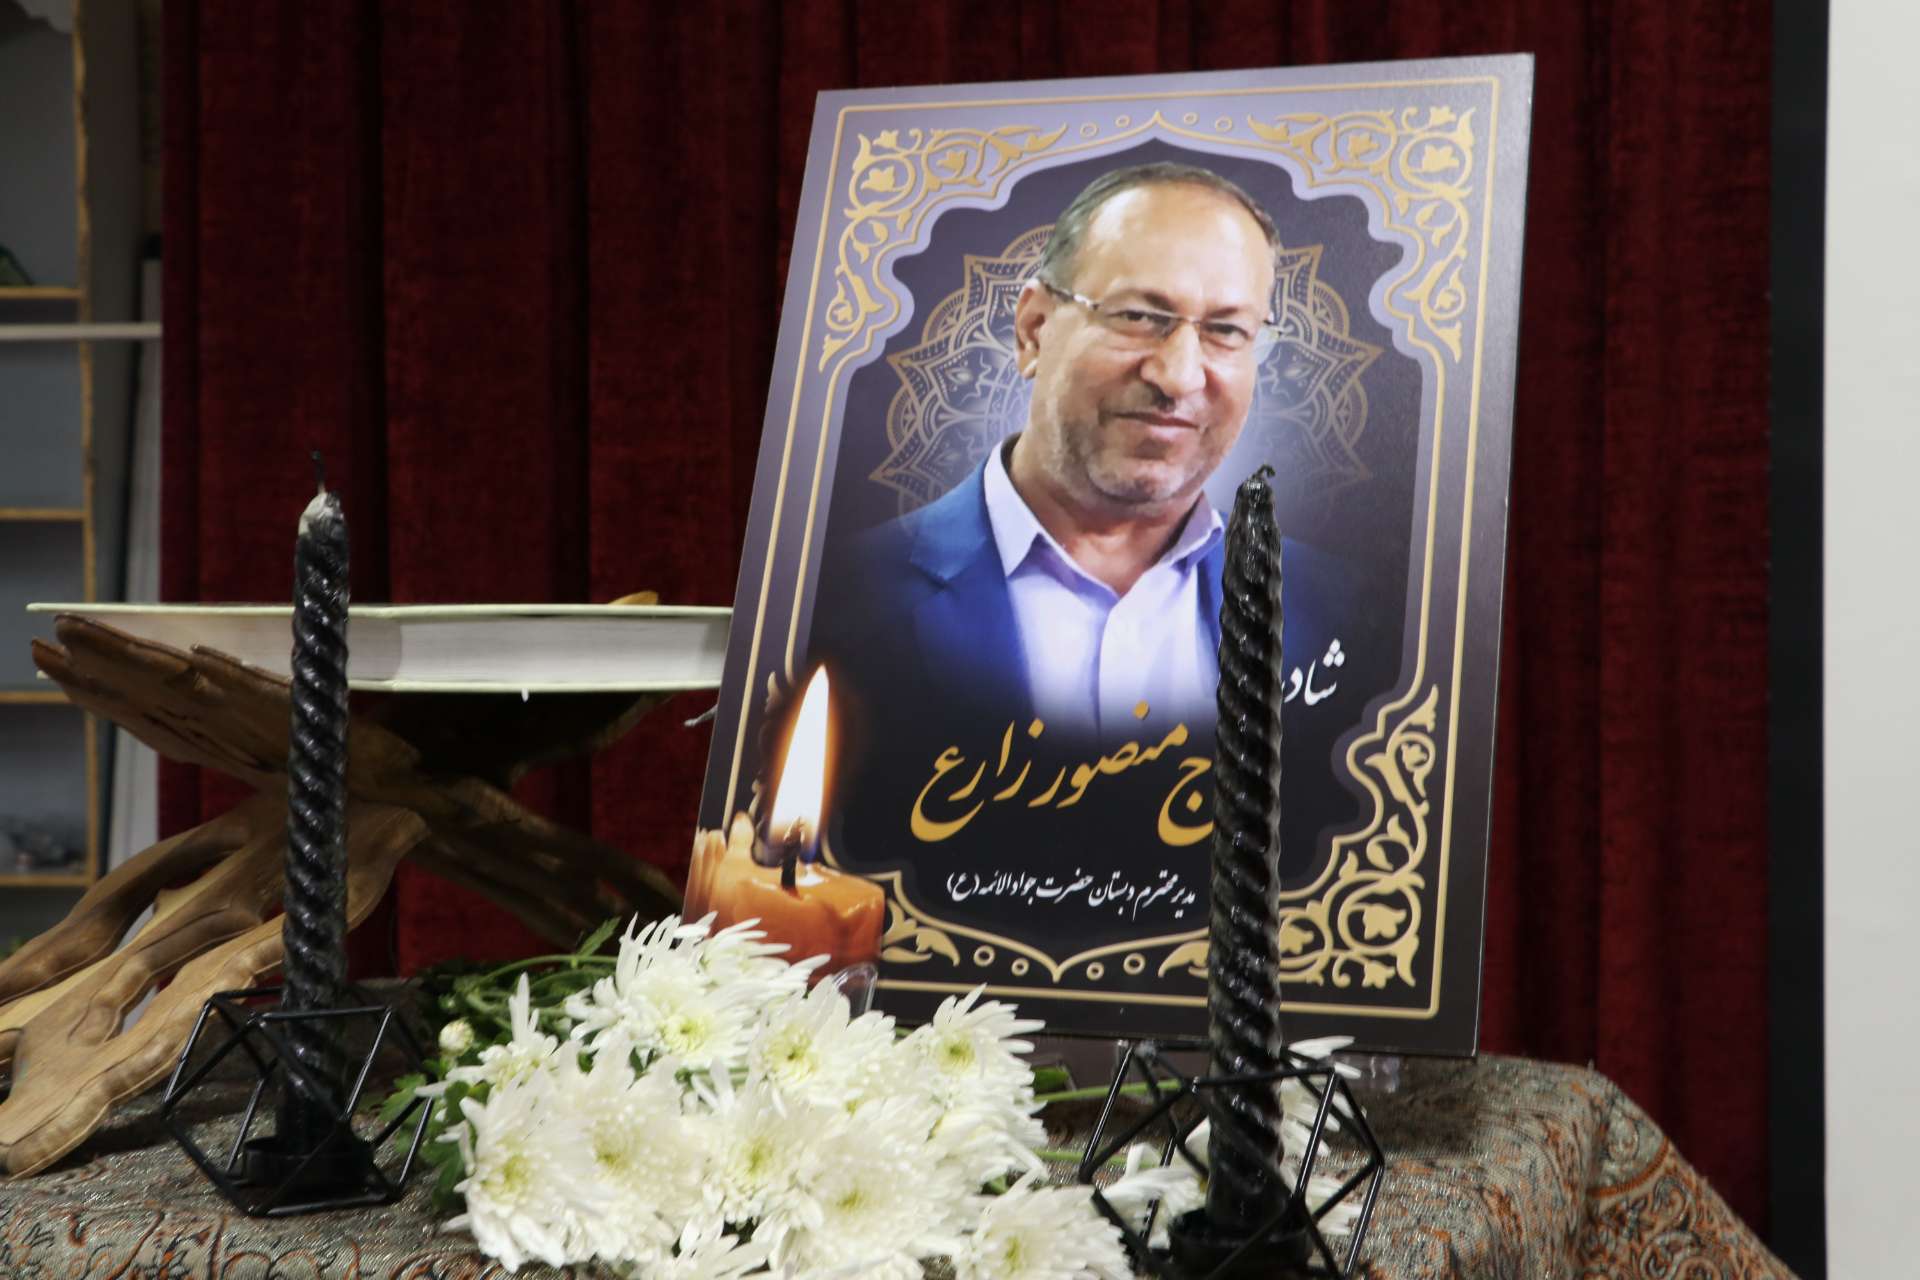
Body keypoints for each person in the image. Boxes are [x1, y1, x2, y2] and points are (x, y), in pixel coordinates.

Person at [813, 161, 1360, 746]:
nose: (1178, 376)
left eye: (1226, 330)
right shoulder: (831, 602)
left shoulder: (1343, 612)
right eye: (1138, 316)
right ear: (1034, 330)